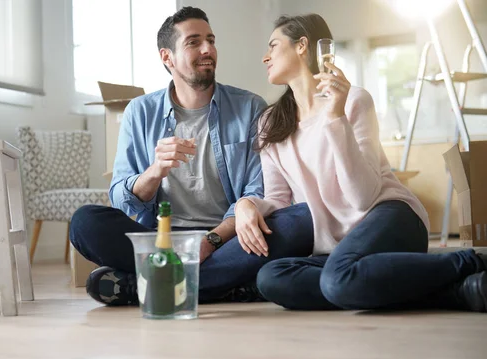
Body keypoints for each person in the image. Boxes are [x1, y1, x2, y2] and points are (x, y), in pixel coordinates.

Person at [234, 14, 487, 312]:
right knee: (271, 278)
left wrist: (335, 117)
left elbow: (363, 197)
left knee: (337, 279)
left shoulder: (354, 100)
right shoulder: (270, 122)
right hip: (339, 246)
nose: (265, 57)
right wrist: (246, 206)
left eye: (273, 46)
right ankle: (458, 290)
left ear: (302, 45)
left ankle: (468, 260)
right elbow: (279, 199)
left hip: (388, 215)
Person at [69, 7, 314, 306]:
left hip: (228, 238)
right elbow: (122, 199)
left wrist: (210, 242)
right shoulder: (140, 111)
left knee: (300, 221)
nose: (208, 49)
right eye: (193, 42)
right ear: (167, 57)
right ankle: (227, 286)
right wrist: (155, 171)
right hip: (162, 239)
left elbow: (256, 192)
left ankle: (146, 286)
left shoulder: (250, 107)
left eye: (210, 40)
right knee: (84, 222)